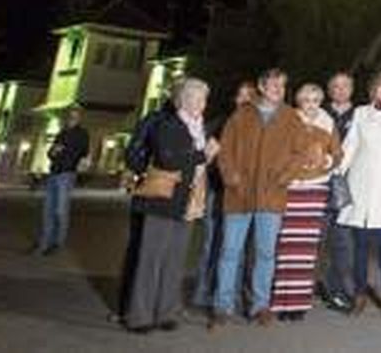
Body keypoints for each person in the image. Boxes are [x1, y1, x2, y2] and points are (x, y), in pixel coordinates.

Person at [211, 68, 303, 328]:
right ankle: (222, 306)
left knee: (265, 253)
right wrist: (231, 177)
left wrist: (284, 177)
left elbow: (300, 153)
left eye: (282, 86)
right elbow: (224, 150)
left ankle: (260, 305)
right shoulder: (242, 114)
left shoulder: (290, 117)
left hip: (271, 196)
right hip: (239, 195)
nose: (278, 90)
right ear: (261, 87)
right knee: (230, 252)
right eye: (274, 85)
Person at [125, 78, 212, 333]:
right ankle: (139, 316)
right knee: (151, 259)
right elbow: (167, 157)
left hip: (186, 201)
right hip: (161, 200)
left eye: (203, 99)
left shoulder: (199, 127)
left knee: (175, 259)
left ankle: (166, 312)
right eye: (194, 98)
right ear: (182, 100)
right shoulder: (167, 123)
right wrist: (203, 154)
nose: (199, 104)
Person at [336, 70, 381, 318]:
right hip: (360, 190)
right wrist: (336, 172)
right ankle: (359, 295)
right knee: (360, 249)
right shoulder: (361, 113)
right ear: (374, 88)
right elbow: (350, 147)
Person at [269, 83, 342, 320]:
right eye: (306, 100)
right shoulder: (288, 121)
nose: (310, 105)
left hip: (315, 190)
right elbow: (278, 152)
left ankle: (299, 303)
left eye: (315, 100)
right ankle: (283, 301)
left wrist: (327, 159)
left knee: (306, 249)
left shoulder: (328, 122)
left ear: (320, 101)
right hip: (292, 189)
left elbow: (338, 154)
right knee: (287, 246)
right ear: (299, 101)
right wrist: (293, 165)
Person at [113, 77, 183, 325]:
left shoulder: (191, 121)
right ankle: (127, 307)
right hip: (151, 192)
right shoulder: (154, 120)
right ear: (172, 95)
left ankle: (161, 309)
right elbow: (133, 151)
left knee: (168, 254)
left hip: (177, 198)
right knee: (140, 250)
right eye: (181, 92)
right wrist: (148, 170)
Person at [189, 80, 252, 316]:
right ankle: (203, 293)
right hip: (217, 191)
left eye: (249, 97)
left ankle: (230, 294)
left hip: (244, 195)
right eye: (240, 96)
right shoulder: (220, 123)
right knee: (211, 242)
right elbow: (204, 155)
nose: (243, 101)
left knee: (237, 247)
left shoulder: (260, 127)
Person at [319, 70, 358, 312]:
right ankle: (297, 290)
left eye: (345, 86)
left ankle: (337, 291)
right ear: (329, 89)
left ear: (352, 89)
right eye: (336, 86)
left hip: (349, 187)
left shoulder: (362, 115)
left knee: (343, 241)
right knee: (314, 238)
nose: (341, 90)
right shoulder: (319, 114)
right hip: (320, 183)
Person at [35, 104, 89, 255]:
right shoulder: (62, 133)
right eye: (70, 115)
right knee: (48, 210)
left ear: (79, 117)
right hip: (54, 173)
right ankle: (44, 243)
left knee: (61, 210)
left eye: (75, 115)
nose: (72, 118)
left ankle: (57, 244)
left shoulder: (82, 134)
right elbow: (51, 153)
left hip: (67, 174)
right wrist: (53, 151)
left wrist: (80, 165)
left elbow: (84, 155)